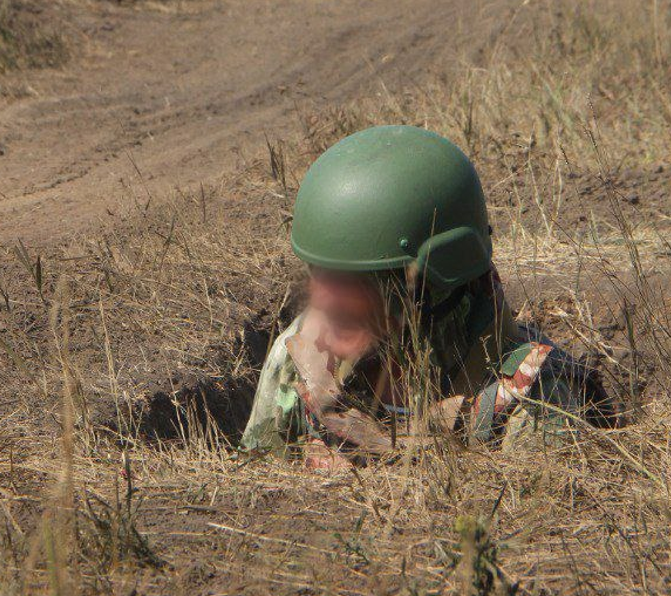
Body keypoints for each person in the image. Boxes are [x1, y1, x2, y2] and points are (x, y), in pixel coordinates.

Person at [240, 125, 611, 468]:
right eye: (322, 275)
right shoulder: (303, 353)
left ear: (433, 281)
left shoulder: (529, 395)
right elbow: (256, 486)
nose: (327, 301)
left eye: (352, 282)